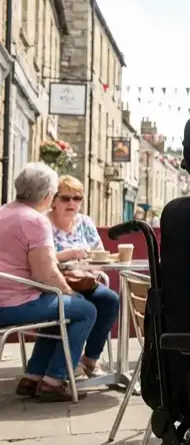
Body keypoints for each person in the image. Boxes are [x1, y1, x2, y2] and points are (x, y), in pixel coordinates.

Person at [0, 163, 96, 402]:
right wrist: (69, 292)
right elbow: (46, 275)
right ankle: (55, 381)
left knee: (60, 306)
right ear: (46, 196)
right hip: (13, 305)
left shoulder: (3, 212)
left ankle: (33, 377)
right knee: (84, 309)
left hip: (6, 299)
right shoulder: (35, 221)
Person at [47, 175, 120, 379]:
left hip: (85, 281)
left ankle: (90, 360)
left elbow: (100, 253)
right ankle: (71, 362)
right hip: (56, 283)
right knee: (81, 307)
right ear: (53, 200)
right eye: (65, 198)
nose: (72, 203)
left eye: (77, 198)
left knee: (110, 300)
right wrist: (67, 254)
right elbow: (41, 259)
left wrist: (95, 270)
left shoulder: (85, 222)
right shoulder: (44, 223)